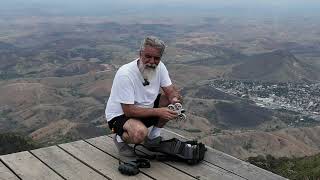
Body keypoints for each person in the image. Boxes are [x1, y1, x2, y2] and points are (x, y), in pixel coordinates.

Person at [105, 36, 182, 156]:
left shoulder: (160, 66)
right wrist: (159, 112)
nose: (152, 62)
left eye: (156, 58)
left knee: (173, 98)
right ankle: (120, 139)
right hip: (121, 115)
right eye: (148, 56)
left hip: (146, 107)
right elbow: (129, 111)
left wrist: (175, 101)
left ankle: (153, 138)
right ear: (140, 54)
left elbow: (170, 91)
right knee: (139, 133)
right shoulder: (125, 74)